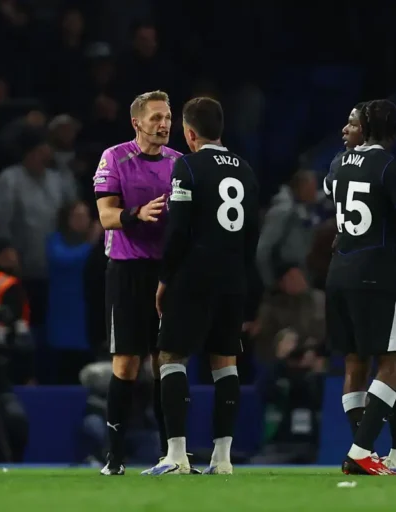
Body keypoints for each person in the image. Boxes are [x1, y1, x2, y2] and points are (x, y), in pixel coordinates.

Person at [143, 97, 259, 476]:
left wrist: (165, 278)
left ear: (190, 133)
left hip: (194, 276)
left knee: (171, 357)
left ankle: (176, 455)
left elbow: (178, 229)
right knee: (225, 363)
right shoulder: (246, 169)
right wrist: (241, 275)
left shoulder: (187, 166)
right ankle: (222, 459)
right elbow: (252, 232)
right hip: (233, 278)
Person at [324, 99, 396, 475]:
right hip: (380, 274)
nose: (345, 129)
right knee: (395, 362)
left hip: (340, 272)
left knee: (356, 362)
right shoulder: (390, 166)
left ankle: (393, 453)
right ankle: (361, 451)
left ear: (367, 129)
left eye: (352, 123)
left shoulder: (337, 164)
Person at [93, 90, 182, 476]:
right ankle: (114, 457)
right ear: (136, 122)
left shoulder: (179, 163)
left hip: (166, 273)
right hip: (127, 271)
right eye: (156, 118)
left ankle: (171, 455)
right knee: (127, 364)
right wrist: (137, 214)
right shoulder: (115, 157)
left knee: (167, 363)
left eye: (168, 117)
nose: (164, 124)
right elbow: (106, 216)